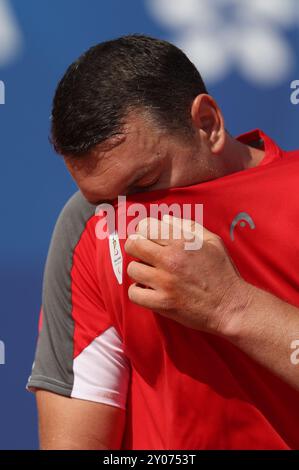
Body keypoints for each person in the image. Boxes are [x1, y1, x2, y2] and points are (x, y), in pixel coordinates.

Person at [27, 34, 299, 449]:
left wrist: (231, 304)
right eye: (104, 200)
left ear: (207, 123)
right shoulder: (87, 223)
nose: (126, 218)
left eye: (145, 183)